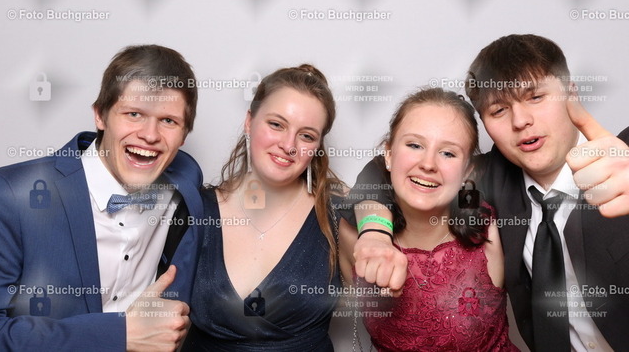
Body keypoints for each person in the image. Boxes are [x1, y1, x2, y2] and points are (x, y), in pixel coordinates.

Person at [348, 34, 629, 351]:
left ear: (571, 93)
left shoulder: (623, 159)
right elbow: (384, 170)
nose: (521, 121)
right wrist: (375, 231)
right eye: (499, 110)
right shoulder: (491, 177)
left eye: (536, 97)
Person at [0, 45, 204, 351]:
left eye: (168, 121)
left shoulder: (185, 181)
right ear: (100, 115)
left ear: (184, 135)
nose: (150, 135)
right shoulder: (8, 195)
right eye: (134, 114)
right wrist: (120, 334)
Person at [183, 64, 351, 351]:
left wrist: (375, 221)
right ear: (249, 122)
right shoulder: (196, 208)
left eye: (307, 135)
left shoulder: (337, 214)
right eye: (276, 124)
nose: (289, 145)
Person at [339, 88, 518, 351]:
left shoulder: (491, 227)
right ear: (388, 154)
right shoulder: (354, 236)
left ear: (467, 172)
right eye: (414, 145)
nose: (428, 164)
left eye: (448, 153)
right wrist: (375, 231)